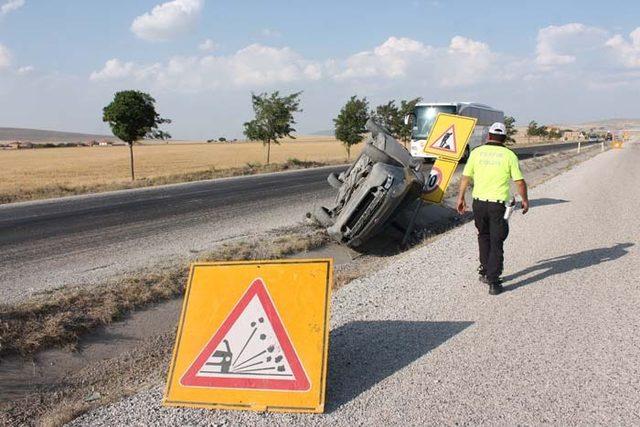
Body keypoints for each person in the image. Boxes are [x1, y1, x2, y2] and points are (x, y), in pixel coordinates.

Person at [456, 122, 529, 295]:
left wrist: (460, 198)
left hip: (479, 204)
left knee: (483, 236)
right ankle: (494, 281)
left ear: (488, 136)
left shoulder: (476, 152)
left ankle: (485, 269)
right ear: (504, 138)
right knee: (497, 240)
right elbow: (519, 181)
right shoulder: (509, 155)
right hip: (498, 206)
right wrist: (525, 199)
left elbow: (465, 177)